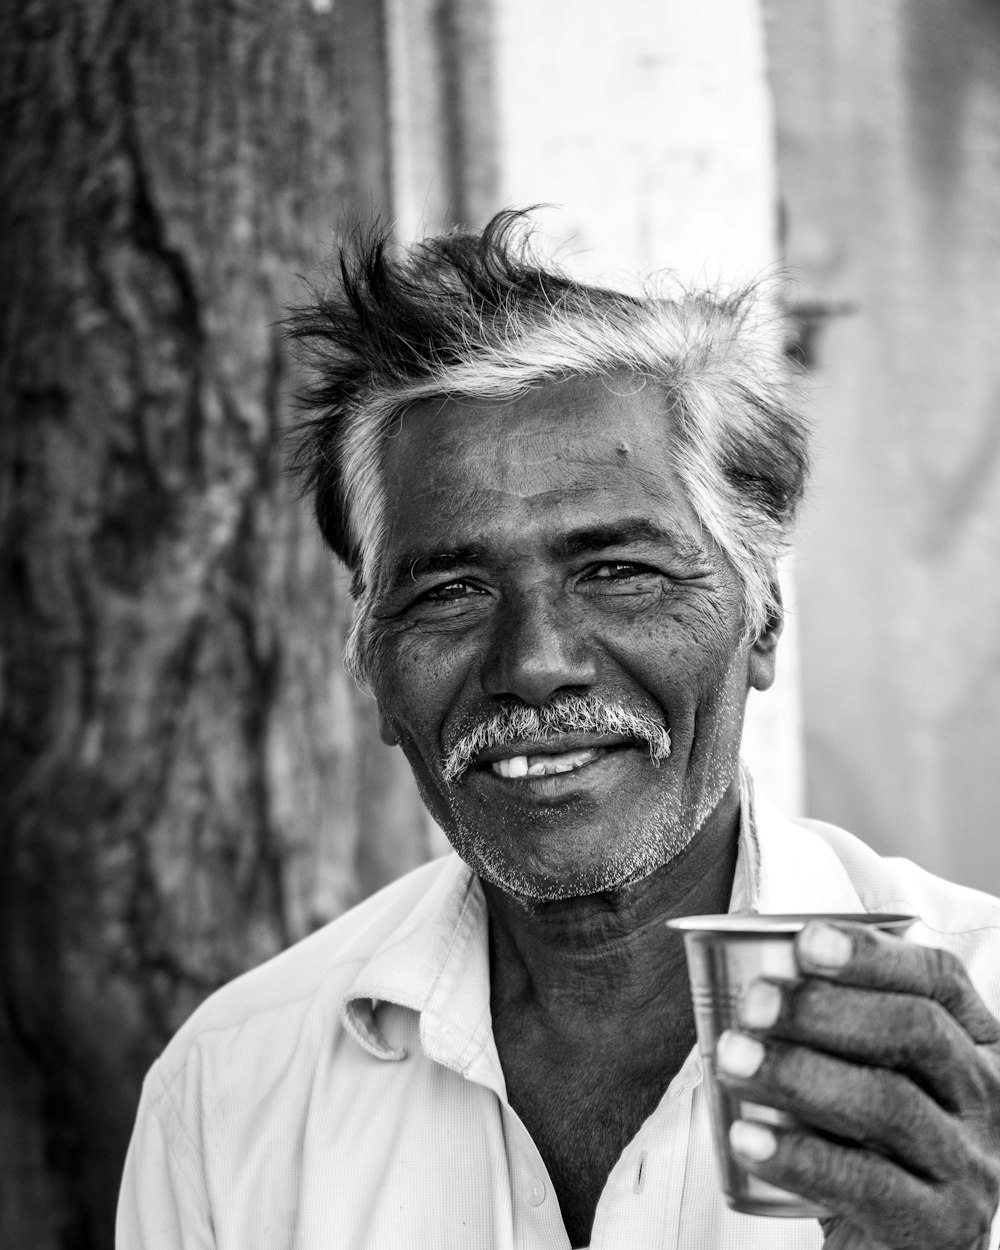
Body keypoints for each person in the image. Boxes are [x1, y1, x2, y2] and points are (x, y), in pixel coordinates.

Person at [117, 211, 1000, 1250]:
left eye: (618, 570)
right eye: (448, 589)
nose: (534, 662)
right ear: (368, 659)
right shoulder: (234, 1085)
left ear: (761, 618)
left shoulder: (971, 1044)